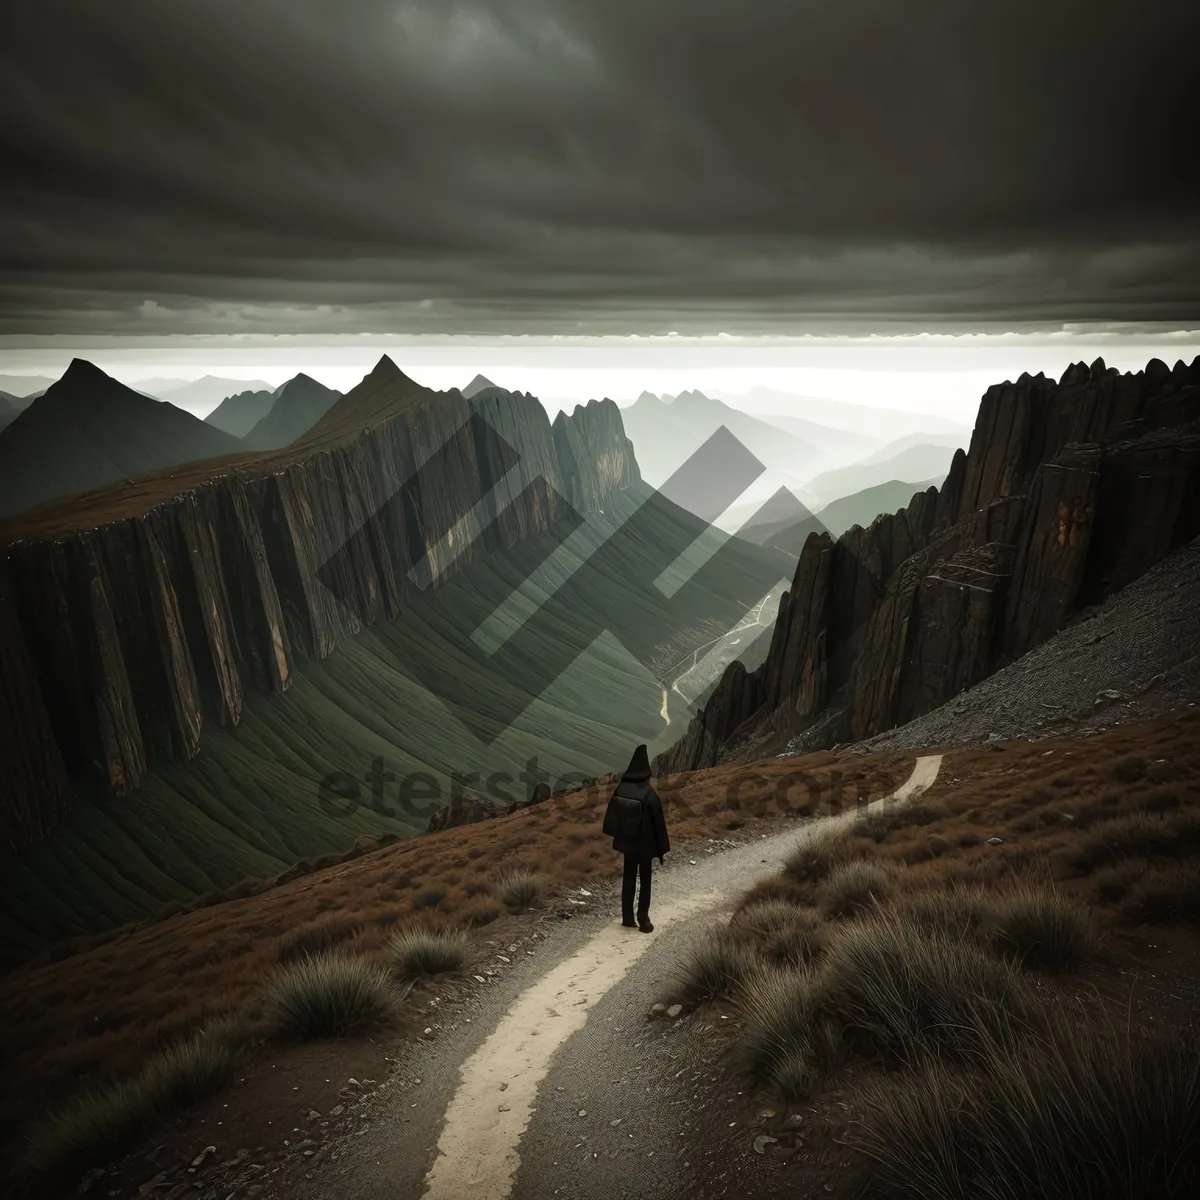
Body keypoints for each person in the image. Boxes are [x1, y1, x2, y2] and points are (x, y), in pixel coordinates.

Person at [602, 744, 670, 932]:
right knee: (645, 880)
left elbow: (612, 818)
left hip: (627, 845)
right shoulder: (649, 793)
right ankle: (644, 919)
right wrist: (661, 849)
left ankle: (627, 917)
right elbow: (659, 824)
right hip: (645, 847)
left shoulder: (621, 788)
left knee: (629, 878)